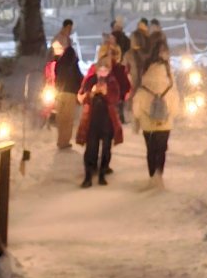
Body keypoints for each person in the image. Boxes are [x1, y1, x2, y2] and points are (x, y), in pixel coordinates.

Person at [76, 43, 124, 186]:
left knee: (106, 148)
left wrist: (106, 93)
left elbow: (116, 97)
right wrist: (90, 94)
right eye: (100, 69)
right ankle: (88, 175)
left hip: (107, 120)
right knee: (91, 147)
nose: (102, 71)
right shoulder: (90, 80)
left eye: (105, 69)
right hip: (92, 119)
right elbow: (81, 96)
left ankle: (103, 172)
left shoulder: (112, 82)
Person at [132, 38, 180, 181]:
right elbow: (174, 98)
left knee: (150, 150)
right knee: (162, 149)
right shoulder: (168, 76)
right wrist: (172, 113)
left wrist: (138, 116)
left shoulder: (145, 73)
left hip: (147, 121)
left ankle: (152, 175)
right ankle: (159, 175)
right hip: (164, 120)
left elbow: (138, 98)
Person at [53, 25, 83, 150]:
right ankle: (65, 141)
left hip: (60, 92)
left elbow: (56, 74)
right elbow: (78, 77)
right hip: (70, 92)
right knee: (68, 118)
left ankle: (61, 140)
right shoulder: (72, 62)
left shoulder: (60, 62)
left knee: (61, 117)